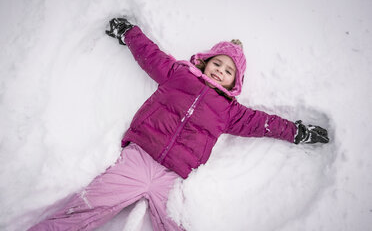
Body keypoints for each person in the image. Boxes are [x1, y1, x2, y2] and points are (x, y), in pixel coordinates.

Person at [28, 17, 329, 231]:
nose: (221, 71)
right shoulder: (178, 74)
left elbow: (263, 124)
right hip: (139, 159)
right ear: (205, 62)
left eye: (228, 71)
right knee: (88, 206)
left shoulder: (229, 111)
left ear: (235, 82)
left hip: (172, 179)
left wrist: (297, 131)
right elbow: (151, 56)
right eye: (218, 64)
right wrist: (129, 32)